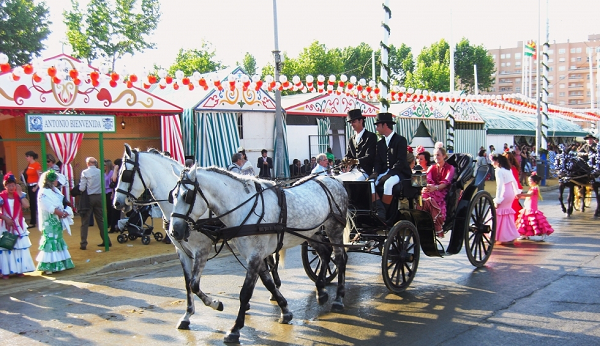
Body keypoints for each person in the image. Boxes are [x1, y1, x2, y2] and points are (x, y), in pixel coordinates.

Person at [369, 112, 412, 223]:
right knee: (370, 183)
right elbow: (378, 162)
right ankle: (380, 210)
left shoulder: (400, 140)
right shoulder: (380, 143)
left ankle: (385, 215)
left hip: (399, 173)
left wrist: (390, 174)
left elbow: (401, 161)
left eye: (378, 126)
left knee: (388, 183)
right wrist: (376, 173)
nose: (377, 129)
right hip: (384, 172)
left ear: (385, 125)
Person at [36, 170, 75, 275]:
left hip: (57, 220)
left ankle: (61, 262)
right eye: (55, 180)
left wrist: (66, 211)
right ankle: (49, 265)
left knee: (58, 239)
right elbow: (49, 207)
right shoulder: (43, 193)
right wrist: (61, 214)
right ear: (50, 181)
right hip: (49, 221)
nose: (57, 181)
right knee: (50, 240)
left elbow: (62, 202)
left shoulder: (56, 191)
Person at [0, 172, 36, 279]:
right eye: (9, 185)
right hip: (6, 226)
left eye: (13, 185)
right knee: (6, 247)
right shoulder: (1, 196)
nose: (11, 187)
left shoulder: (19, 195)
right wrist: (5, 218)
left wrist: (20, 193)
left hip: (18, 225)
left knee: (19, 247)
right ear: (5, 186)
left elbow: (27, 205)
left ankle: (19, 270)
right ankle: (6, 271)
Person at [417, 144, 455, 237]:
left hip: (442, 191)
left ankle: (435, 222)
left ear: (444, 156)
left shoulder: (450, 168)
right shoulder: (432, 167)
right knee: (422, 197)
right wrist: (427, 187)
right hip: (431, 189)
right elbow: (427, 179)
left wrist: (435, 188)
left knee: (430, 199)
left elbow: (446, 182)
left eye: (438, 155)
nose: (436, 157)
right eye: (434, 155)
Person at [78, 157, 108, 249]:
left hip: (89, 197)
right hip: (99, 196)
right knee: (100, 219)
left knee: (85, 221)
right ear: (95, 163)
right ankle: (106, 240)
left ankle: (83, 243)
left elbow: (82, 188)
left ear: (88, 163)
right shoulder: (100, 172)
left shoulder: (85, 172)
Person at [491, 154, 521, 244]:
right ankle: (509, 235)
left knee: (498, 213)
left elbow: (499, 186)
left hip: (504, 193)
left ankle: (496, 235)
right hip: (510, 192)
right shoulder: (508, 170)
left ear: (497, 161)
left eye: (493, 161)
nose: (492, 163)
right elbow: (514, 181)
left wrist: (498, 199)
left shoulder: (499, 171)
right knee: (507, 214)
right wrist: (516, 192)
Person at [515, 173, 554, 242]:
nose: (529, 182)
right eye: (529, 181)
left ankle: (542, 233)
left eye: (530, 181)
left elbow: (529, 195)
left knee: (535, 221)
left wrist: (521, 195)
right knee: (526, 221)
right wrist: (520, 196)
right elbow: (528, 196)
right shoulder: (532, 188)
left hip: (531, 208)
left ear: (535, 182)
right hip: (527, 207)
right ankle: (524, 234)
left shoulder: (535, 188)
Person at [344, 109, 377, 177]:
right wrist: (345, 160)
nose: (351, 124)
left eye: (354, 122)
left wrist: (355, 161)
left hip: (365, 171)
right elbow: (348, 155)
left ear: (361, 121)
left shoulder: (370, 136)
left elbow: (370, 156)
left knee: (355, 181)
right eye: (350, 123)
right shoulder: (351, 139)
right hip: (353, 171)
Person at [24, 150, 42, 228]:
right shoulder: (29, 164)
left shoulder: (36, 164)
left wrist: (36, 187)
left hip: (35, 186)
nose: (26, 158)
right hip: (29, 186)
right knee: (32, 204)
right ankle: (33, 221)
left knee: (36, 204)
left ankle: (36, 221)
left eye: (27, 156)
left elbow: (40, 177)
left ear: (31, 157)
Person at [504, 151, 523, 220]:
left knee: (513, 206)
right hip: (514, 189)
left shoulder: (510, 169)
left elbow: (514, 181)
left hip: (511, 189)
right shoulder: (514, 168)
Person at [104, 160, 120, 234]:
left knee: (113, 210)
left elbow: (113, 183)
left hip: (111, 192)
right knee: (109, 209)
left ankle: (114, 226)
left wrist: (112, 194)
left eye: (105, 165)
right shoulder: (104, 174)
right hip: (106, 192)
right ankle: (110, 224)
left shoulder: (112, 173)